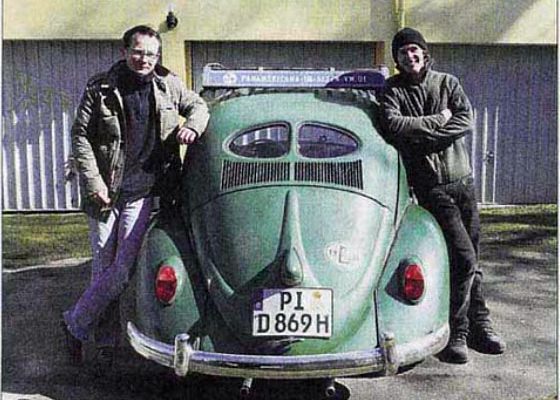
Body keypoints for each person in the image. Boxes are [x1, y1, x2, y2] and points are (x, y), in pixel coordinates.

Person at [61, 25, 209, 371]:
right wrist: (94, 182)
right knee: (103, 269)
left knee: (121, 271)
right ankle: (106, 342)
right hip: (104, 193)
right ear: (125, 51)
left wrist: (192, 126)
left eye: (151, 54)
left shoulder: (168, 85)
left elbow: (199, 106)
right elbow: (80, 136)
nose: (144, 59)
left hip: (141, 193)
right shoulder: (100, 88)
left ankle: (74, 324)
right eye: (138, 52)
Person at [379, 27, 506, 364]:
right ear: (397, 59)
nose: (410, 56)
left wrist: (425, 137)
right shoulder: (392, 90)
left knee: (472, 258)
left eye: (414, 49)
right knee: (462, 258)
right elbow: (394, 125)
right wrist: (439, 119)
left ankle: (481, 325)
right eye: (403, 52)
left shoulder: (447, 83)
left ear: (424, 52)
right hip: (432, 188)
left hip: (463, 183)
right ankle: (457, 331)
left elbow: (465, 120)